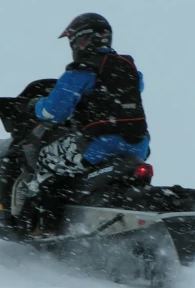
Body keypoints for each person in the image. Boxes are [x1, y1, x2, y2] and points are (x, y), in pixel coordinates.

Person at [16, 13, 151, 233]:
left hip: (100, 146)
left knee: (45, 160)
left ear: (80, 40)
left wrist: (35, 105)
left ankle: (43, 227)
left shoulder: (81, 70)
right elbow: (129, 92)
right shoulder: (130, 68)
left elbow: (53, 112)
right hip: (137, 145)